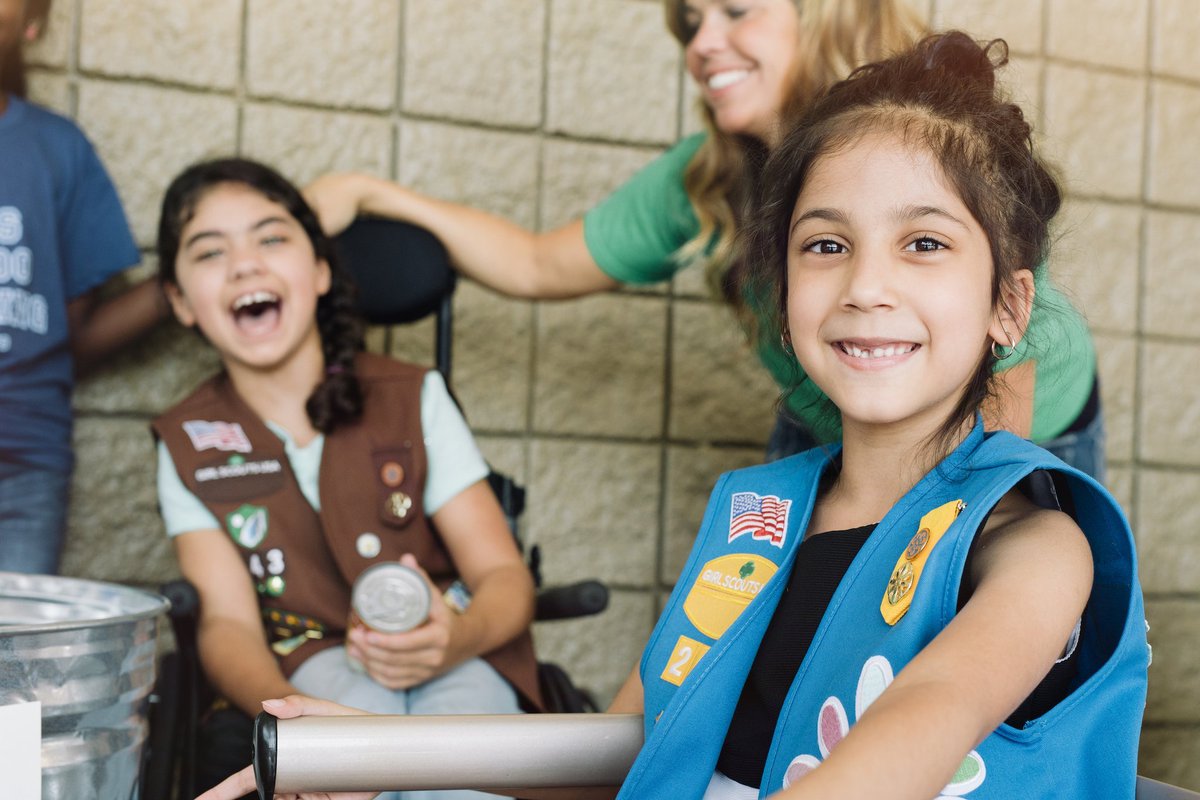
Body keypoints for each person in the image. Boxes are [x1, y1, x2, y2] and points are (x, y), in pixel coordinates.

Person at [199, 31, 1148, 800]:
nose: (866, 285)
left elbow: (917, 727)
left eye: (925, 244)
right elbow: (629, 750)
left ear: (1008, 307)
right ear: (780, 297)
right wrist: (376, 748)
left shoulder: (1035, 548)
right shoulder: (757, 519)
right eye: (826, 245)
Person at [303, 0, 1105, 480]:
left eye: (735, 10)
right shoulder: (708, 178)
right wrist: (375, 193)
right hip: (831, 418)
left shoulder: (940, 150)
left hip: (1015, 419)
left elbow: (975, 487)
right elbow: (538, 264)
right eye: (690, 22)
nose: (699, 43)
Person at [153, 158, 541, 800]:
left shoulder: (411, 395)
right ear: (179, 301)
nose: (245, 264)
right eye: (210, 251)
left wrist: (457, 638)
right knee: (353, 760)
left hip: (455, 646)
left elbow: (504, 577)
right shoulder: (189, 440)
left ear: (321, 270)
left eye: (270, 238)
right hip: (307, 663)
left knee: (464, 773)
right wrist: (290, 717)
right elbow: (227, 626)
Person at [0, 0, 171, 574]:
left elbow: (72, 337)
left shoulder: (58, 149)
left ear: (31, 26)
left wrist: (179, 287)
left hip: (22, 471)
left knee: (12, 634)